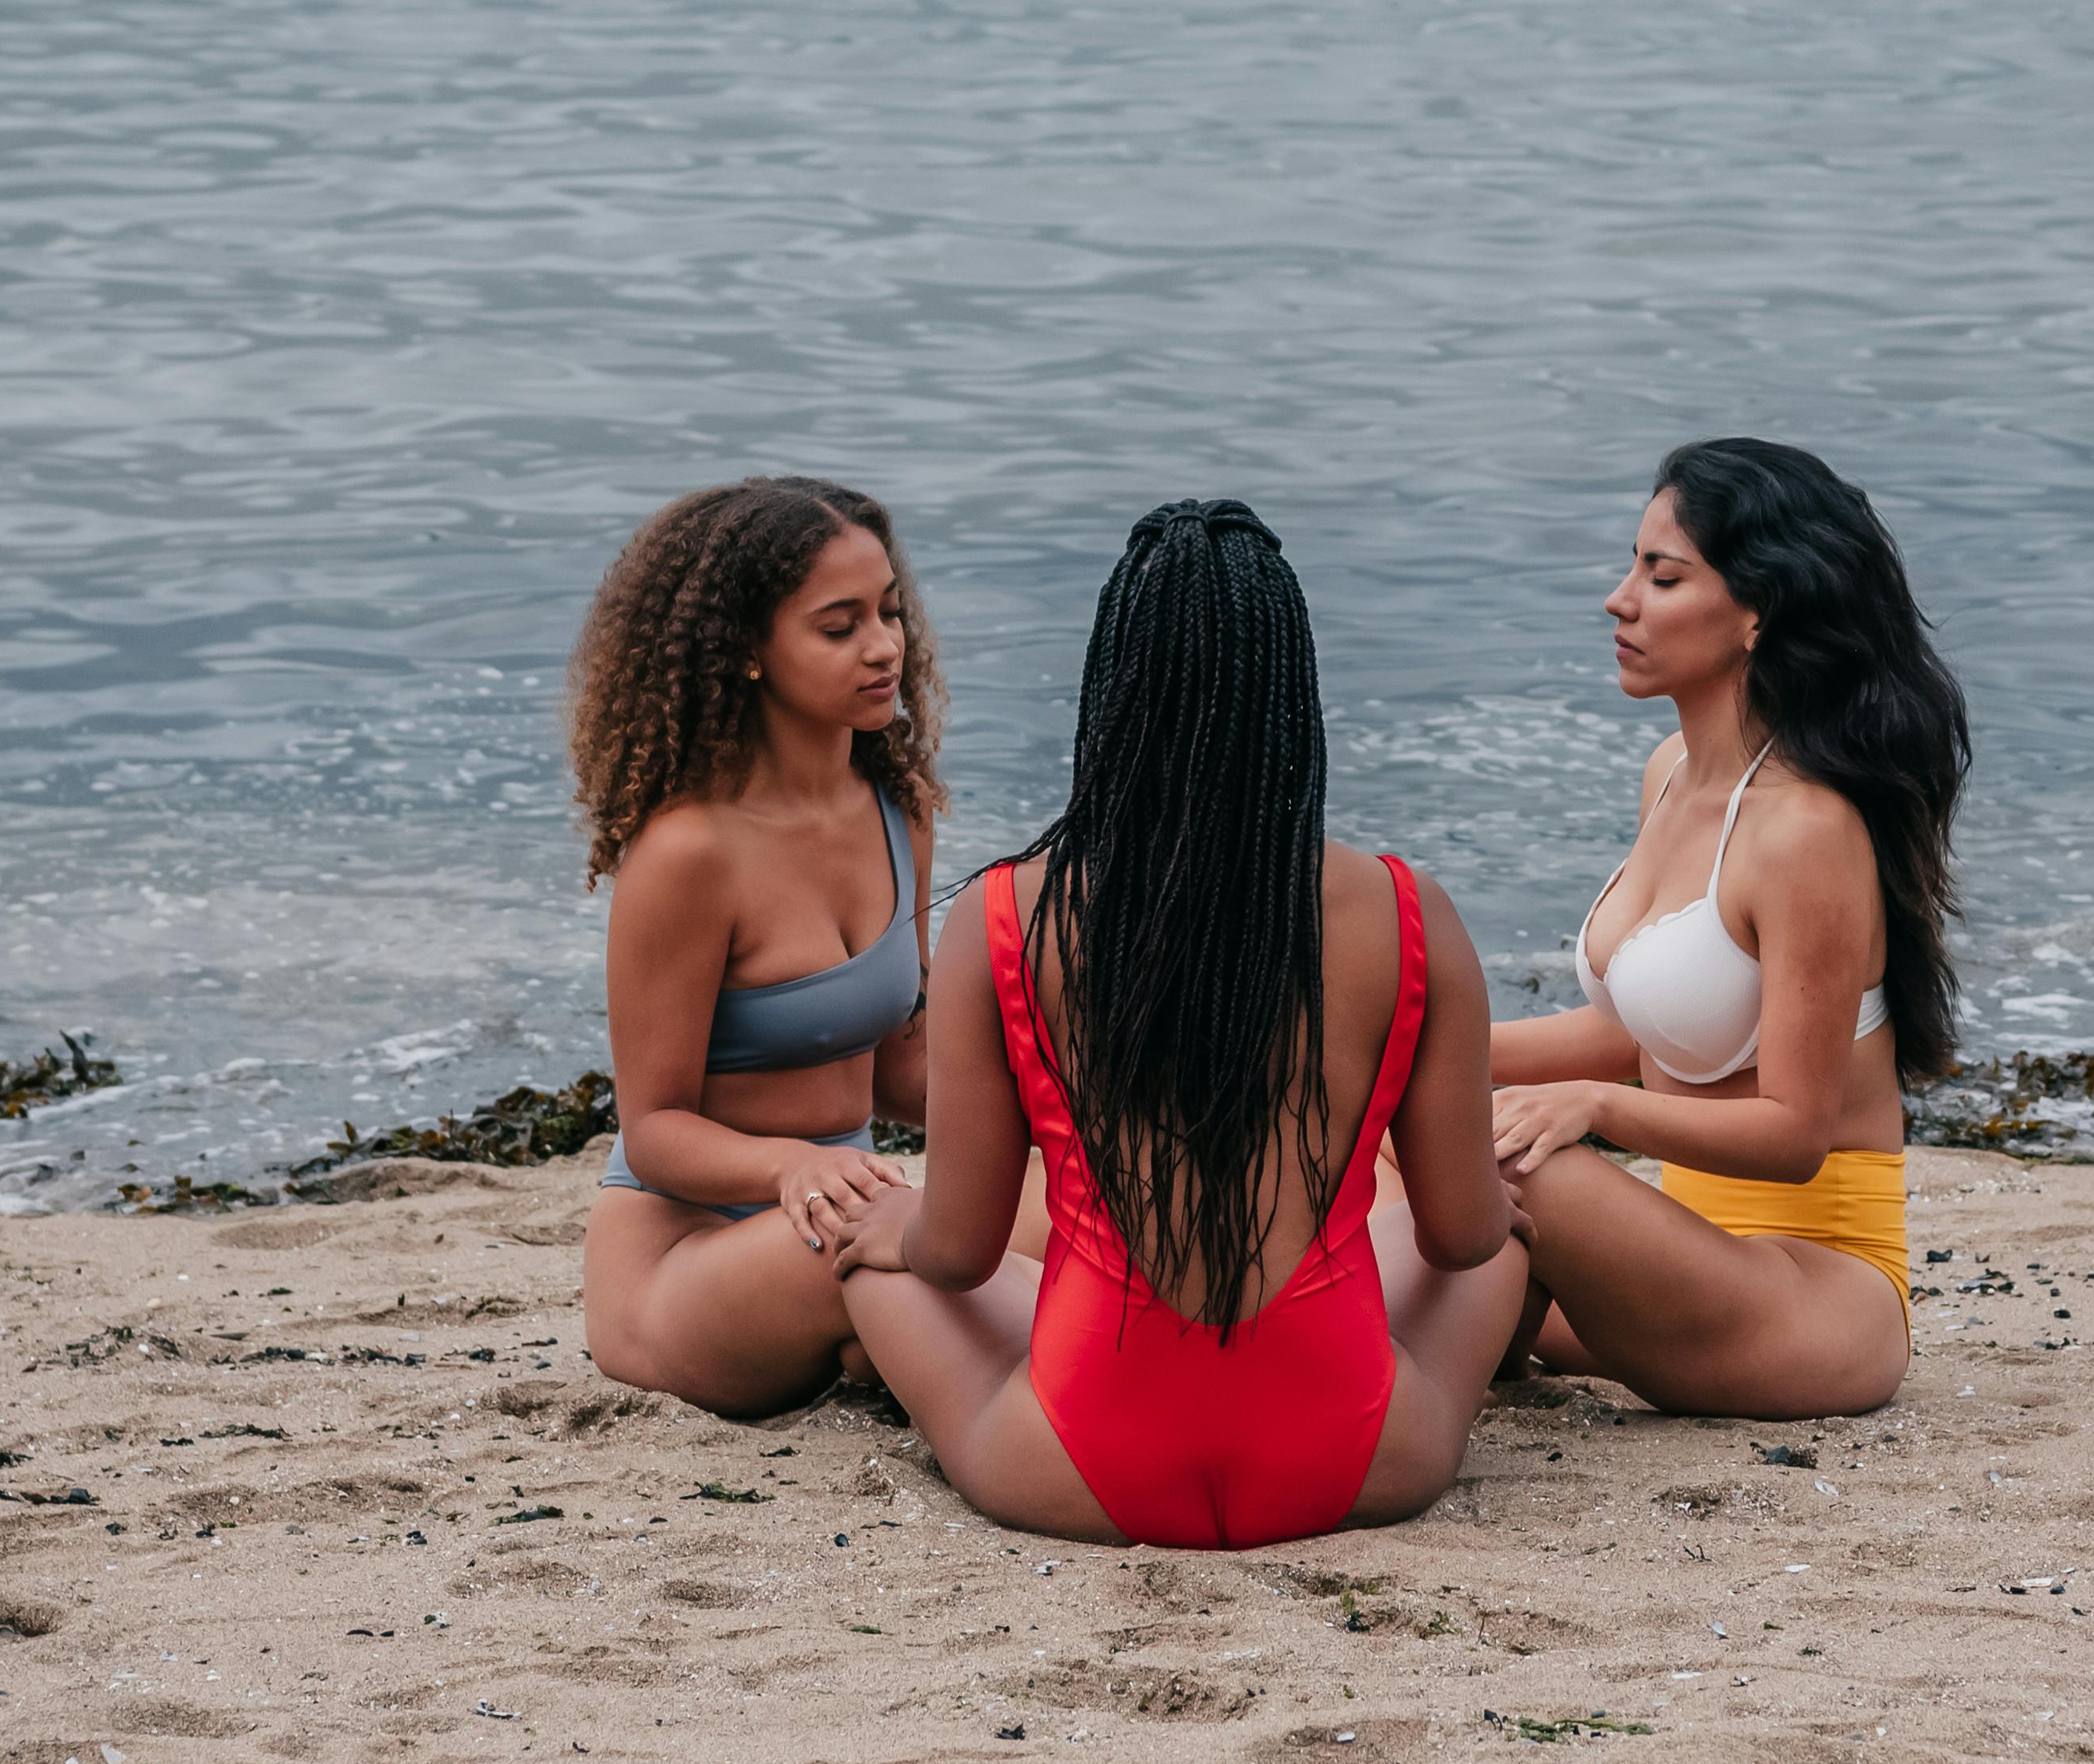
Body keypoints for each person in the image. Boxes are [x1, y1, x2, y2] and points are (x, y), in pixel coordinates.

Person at [833, 500, 1522, 1550]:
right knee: (1506, 1241)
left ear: (1113, 693)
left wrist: (900, 1231)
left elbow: (962, 1252)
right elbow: (1461, 1234)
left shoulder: (1010, 916)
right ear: (1290, 692)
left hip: (1080, 1459)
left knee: (873, 1266)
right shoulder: (1407, 911)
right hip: (1354, 1459)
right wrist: (1499, 1210)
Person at [1488, 439, 1967, 1418]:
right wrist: (1413, 1046)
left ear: (1759, 611)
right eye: (1631, 567)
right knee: (1376, 1110)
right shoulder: (1669, 772)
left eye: (1661, 576)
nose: (1619, 600)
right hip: (1680, 1269)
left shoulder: (1806, 830)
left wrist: (1595, 1107)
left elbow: (1794, 1133)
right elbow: (1648, 1036)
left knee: (1507, 1163)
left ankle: (1468, 1326)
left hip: (1810, 1299)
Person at [573, 476, 946, 1419]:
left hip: (838, 1225)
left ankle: (878, 1342)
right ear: (746, 651)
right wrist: (790, 1165)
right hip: (686, 1261)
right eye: (839, 625)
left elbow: (905, 1073)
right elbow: (653, 1130)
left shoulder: (897, 812)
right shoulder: (687, 853)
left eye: (889, 612)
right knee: (948, 1242)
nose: (883, 647)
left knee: (1081, 1195)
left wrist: (1071, 1116)